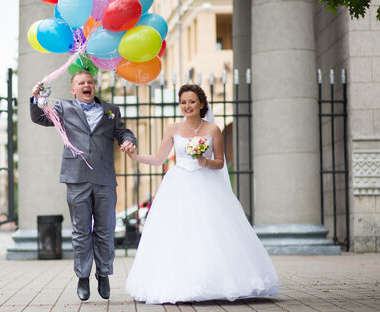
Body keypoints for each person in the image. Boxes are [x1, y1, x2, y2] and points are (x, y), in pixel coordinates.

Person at [124, 84, 280, 304]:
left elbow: (219, 163)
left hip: (207, 183)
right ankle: (180, 282)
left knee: (213, 231)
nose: (187, 106)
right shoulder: (173, 129)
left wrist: (206, 162)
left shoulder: (213, 130)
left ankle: (219, 281)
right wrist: (136, 157)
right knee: (179, 232)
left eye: (192, 102)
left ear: (201, 104)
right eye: (184, 102)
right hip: (178, 185)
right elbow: (159, 159)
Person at [30, 70, 137, 301]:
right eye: (81, 83)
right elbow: (40, 117)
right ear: (73, 89)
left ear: (94, 86)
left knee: (105, 229)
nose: (86, 85)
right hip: (76, 177)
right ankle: (82, 277)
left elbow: (123, 131)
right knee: (80, 231)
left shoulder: (111, 111)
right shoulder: (63, 109)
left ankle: (104, 273)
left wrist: (129, 140)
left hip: (105, 178)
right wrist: (37, 99)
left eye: (89, 82)